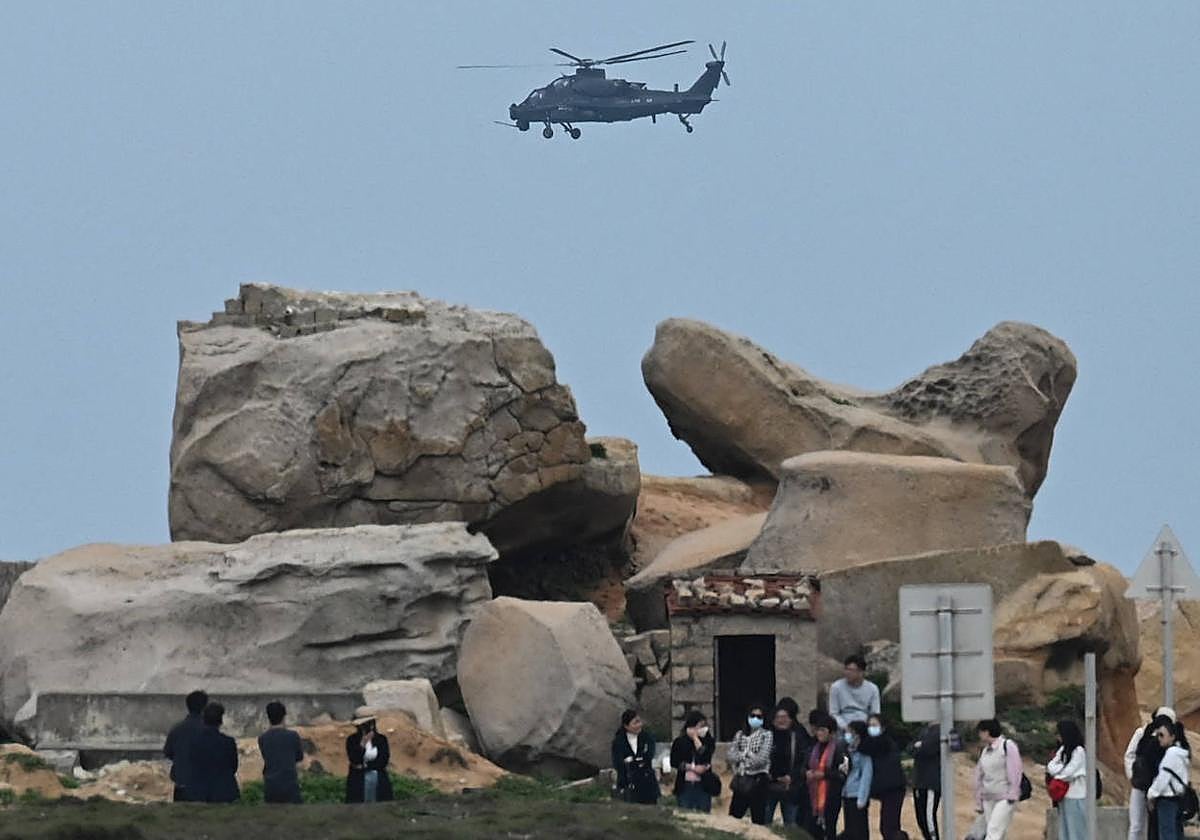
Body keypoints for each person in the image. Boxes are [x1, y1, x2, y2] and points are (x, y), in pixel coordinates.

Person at [1126, 707, 1176, 840]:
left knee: (1155, 825)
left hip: (1159, 788)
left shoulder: (1170, 739)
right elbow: (1130, 755)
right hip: (1140, 784)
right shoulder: (1142, 733)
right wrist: (1134, 776)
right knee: (1136, 825)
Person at [970, 719, 1022, 840]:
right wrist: (979, 799)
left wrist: (1013, 793)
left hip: (1005, 797)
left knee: (993, 830)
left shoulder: (1007, 746)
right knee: (997, 832)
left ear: (987, 732)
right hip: (988, 797)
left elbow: (1015, 771)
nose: (979, 735)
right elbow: (979, 775)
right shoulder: (985, 751)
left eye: (980, 732)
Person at [766, 699, 812, 827]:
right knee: (763, 824)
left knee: (792, 825)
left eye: (785, 717)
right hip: (768, 785)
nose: (782, 720)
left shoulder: (798, 734)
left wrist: (792, 777)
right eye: (778, 717)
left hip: (791, 787)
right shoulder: (766, 735)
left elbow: (805, 759)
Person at [728, 702, 773, 825]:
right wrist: (745, 755)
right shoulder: (740, 734)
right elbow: (731, 755)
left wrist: (744, 759)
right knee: (734, 817)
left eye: (759, 716)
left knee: (758, 819)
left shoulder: (766, 735)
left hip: (758, 780)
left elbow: (762, 759)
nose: (755, 719)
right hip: (742, 779)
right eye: (753, 715)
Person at [861, 713, 906, 840]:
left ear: (883, 727)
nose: (871, 728)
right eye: (869, 725)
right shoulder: (879, 742)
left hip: (893, 789)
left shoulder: (884, 742)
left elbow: (866, 747)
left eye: (874, 725)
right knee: (889, 827)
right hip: (888, 789)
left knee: (889, 828)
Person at [806, 710, 846, 840]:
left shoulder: (839, 750)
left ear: (832, 733)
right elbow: (804, 766)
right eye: (818, 730)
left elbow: (842, 774)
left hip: (831, 795)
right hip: (812, 795)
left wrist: (824, 774)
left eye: (823, 730)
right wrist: (807, 773)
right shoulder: (812, 749)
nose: (820, 733)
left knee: (829, 830)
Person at [188, 702, 240, 803]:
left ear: (203, 720)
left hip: (201, 793)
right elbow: (234, 766)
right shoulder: (228, 742)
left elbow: (191, 765)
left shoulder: (194, 742)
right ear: (220, 721)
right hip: (225, 791)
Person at [1147, 720, 1191, 840]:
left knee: (1167, 835)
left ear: (1172, 737)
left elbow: (1163, 779)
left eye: (1162, 735)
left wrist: (1151, 794)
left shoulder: (1172, 754)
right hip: (1178, 800)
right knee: (1177, 833)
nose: (1159, 738)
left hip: (1167, 801)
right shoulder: (1181, 754)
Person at [163, 689, 208, 802]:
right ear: (205, 707)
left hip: (181, 785)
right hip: (204, 786)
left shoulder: (177, 729)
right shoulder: (209, 731)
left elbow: (167, 752)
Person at [1046, 720, 1087, 840]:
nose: (1058, 737)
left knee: (1076, 832)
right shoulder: (1063, 749)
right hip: (1064, 796)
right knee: (1065, 831)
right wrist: (1061, 769)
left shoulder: (1079, 751)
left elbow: (1069, 773)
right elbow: (1051, 766)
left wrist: (1058, 772)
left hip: (1077, 796)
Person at [257, 700, 303, 804]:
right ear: (284, 717)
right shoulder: (293, 736)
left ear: (268, 717)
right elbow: (299, 757)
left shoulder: (263, 738)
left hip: (271, 785)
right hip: (290, 783)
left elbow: (266, 757)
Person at [670, 710, 716, 812]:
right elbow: (674, 762)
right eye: (700, 726)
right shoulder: (679, 742)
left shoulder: (709, 741)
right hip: (685, 785)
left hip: (703, 785)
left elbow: (706, 756)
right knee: (685, 812)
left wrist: (696, 739)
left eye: (704, 726)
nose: (703, 729)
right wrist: (692, 768)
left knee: (703, 813)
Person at [611, 709, 659, 805]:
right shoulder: (618, 741)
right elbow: (618, 762)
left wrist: (634, 761)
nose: (639, 725)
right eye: (635, 723)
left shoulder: (647, 737)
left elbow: (649, 755)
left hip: (647, 782)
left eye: (639, 722)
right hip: (628, 782)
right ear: (626, 726)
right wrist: (633, 763)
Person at [345, 717, 395, 803]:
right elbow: (354, 759)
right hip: (358, 779)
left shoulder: (381, 739)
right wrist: (362, 744)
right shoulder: (352, 740)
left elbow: (383, 760)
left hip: (378, 777)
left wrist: (365, 766)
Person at [841, 720, 874, 840]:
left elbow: (866, 776)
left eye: (850, 733)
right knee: (849, 830)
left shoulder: (864, 754)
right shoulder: (847, 752)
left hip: (857, 796)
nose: (847, 735)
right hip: (847, 794)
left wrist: (862, 799)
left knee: (859, 831)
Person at [829, 655, 881, 731]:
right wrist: (845, 727)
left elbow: (875, 712)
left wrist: (871, 722)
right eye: (846, 669)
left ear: (861, 672)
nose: (847, 673)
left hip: (864, 724)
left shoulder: (873, 688)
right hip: (844, 724)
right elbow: (833, 713)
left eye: (851, 670)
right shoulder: (836, 687)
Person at [910, 722, 942, 840]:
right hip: (919, 782)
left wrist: (920, 745)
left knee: (929, 818)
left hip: (930, 782)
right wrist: (919, 746)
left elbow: (927, 749)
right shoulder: (923, 730)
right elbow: (910, 748)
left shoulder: (940, 731)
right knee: (921, 819)